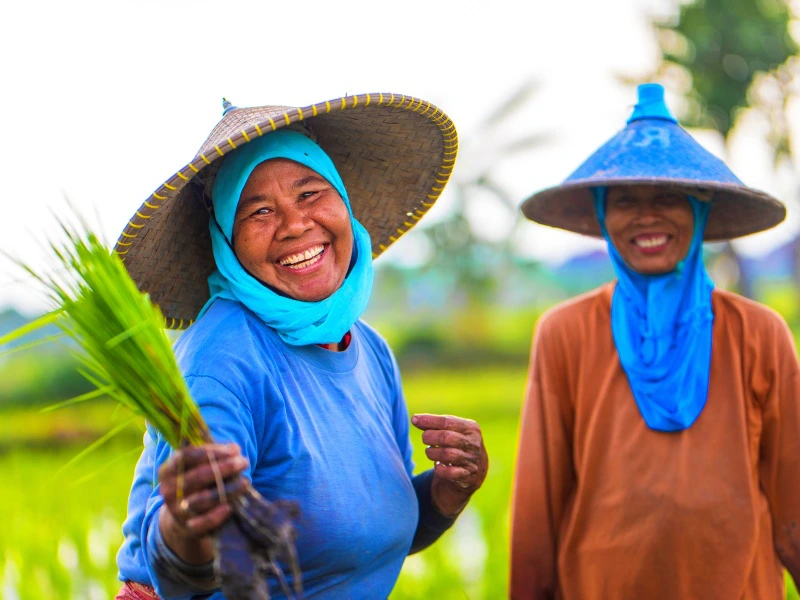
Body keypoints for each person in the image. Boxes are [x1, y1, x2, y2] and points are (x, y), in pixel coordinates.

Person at [112, 93, 489, 600]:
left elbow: (366, 540)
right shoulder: (220, 362)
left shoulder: (369, 351)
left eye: (310, 194)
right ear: (227, 239)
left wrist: (447, 492)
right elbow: (186, 579)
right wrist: (187, 528)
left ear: (343, 202)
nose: (294, 225)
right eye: (259, 212)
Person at [510, 83, 799, 599]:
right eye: (624, 201)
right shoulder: (566, 333)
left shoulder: (758, 334)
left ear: (700, 211)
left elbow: (794, 494)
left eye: (668, 197)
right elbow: (540, 499)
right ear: (602, 217)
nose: (646, 216)